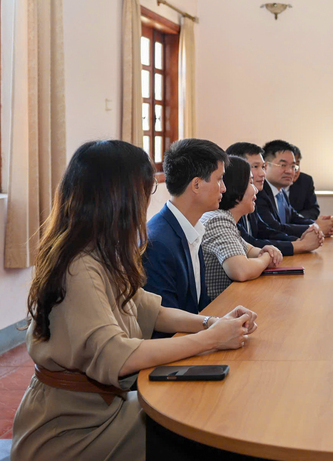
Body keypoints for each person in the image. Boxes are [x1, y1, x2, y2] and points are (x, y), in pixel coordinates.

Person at [11, 140, 258, 461]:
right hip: (71, 429)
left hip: (99, 409)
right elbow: (118, 356)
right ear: (120, 198)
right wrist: (209, 338)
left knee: (206, 410)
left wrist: (213, 323)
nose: (145, 204)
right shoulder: (80, 267)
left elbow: (149, 309)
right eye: (143, 193)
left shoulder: (100, 251)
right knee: (209, 427)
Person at [143, 139, 228, 338]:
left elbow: (199, 306)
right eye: (219, 179)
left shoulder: (191, 227)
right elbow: (164, 326)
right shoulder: (158, 243)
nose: (223, 188)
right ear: (196, 184)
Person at [201, 155, 284, 299]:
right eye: (250, 182)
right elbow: (241, 271)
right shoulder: (217, 220)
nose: (256, 190)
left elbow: (247, 249)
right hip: (217, 310)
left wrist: (265, 250)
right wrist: (265, 259)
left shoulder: (225, 219)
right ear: (237, 187)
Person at [225, 142, 322, 256]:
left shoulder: (251, 198)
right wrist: (300, 245)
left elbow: (265, 231)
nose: (262, 173)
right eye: (255, 167)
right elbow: (249, 243)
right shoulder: (227, 207)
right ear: (235, 170)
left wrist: (299, 240)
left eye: (263, 167)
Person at [261, 139, 333, 238]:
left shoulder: (281, 192)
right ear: (265, 166)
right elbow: (274, 229)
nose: (289, 171)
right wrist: (315, 228)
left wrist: (319, 224)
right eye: (283, 165)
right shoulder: (259, 192)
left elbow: (294, 217)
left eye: (293, 166)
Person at [288, 145, 321, 220]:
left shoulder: (305, 181)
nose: (294, 170)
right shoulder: (264, 184)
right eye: (290, 166)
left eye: (297, 165)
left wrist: (298, 218)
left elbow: (313, 209)